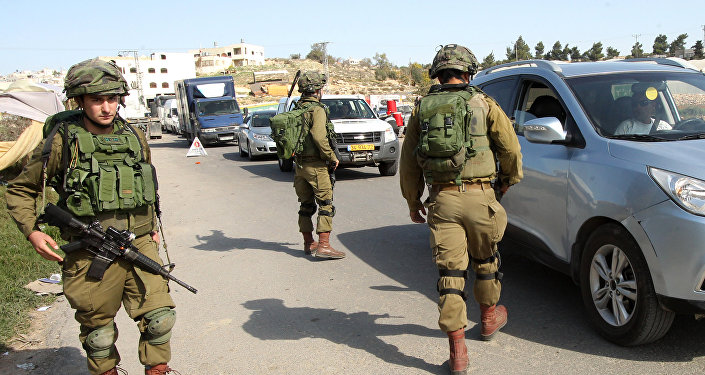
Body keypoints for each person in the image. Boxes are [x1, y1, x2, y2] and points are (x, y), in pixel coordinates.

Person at [5, 58, 178, 375]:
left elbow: (146, 185)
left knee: (160, 319)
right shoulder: (61, 140)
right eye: (97, 99)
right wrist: (32, 231)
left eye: (112, 98)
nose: (106, 107)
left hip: (139, 243)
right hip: (89, 249)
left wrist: (151, 227)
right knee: (98, 334)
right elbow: (20, 189)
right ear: (79, 100)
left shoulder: (135, 137)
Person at [399, 44, 523, 375]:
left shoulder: (421, 108)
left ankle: (458, 353)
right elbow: (510, 149)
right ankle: (488, 318)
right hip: (481, 196)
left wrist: (413, 200)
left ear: (438, 74)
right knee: (486, 261)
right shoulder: (484, 103)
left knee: (450, 275)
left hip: (442, 200)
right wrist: (507, 181)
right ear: (467, 72)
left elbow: (409, 163)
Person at [293, 71, 345, 259]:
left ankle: (309, 243)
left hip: (299, 166)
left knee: (305, 206)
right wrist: (331, 157)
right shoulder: (317, 109)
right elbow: (319, 136)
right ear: (316, 90)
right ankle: (323, 245)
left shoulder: (296, 108)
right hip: (315, 165)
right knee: (326, 204)